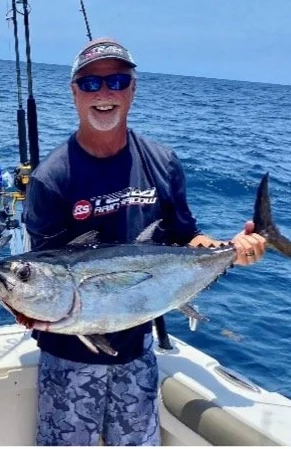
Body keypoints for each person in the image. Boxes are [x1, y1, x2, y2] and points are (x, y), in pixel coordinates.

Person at [22, 37, 268, 446]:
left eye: (117, 82)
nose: (104, 94)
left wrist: (230, 252)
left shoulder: (162, 161)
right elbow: (45, 275)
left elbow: (187, 238)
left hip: (138, 350)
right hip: (68, 356)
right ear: (74, 94)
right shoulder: (52, 179)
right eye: (90, 84)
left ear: (133, 90)